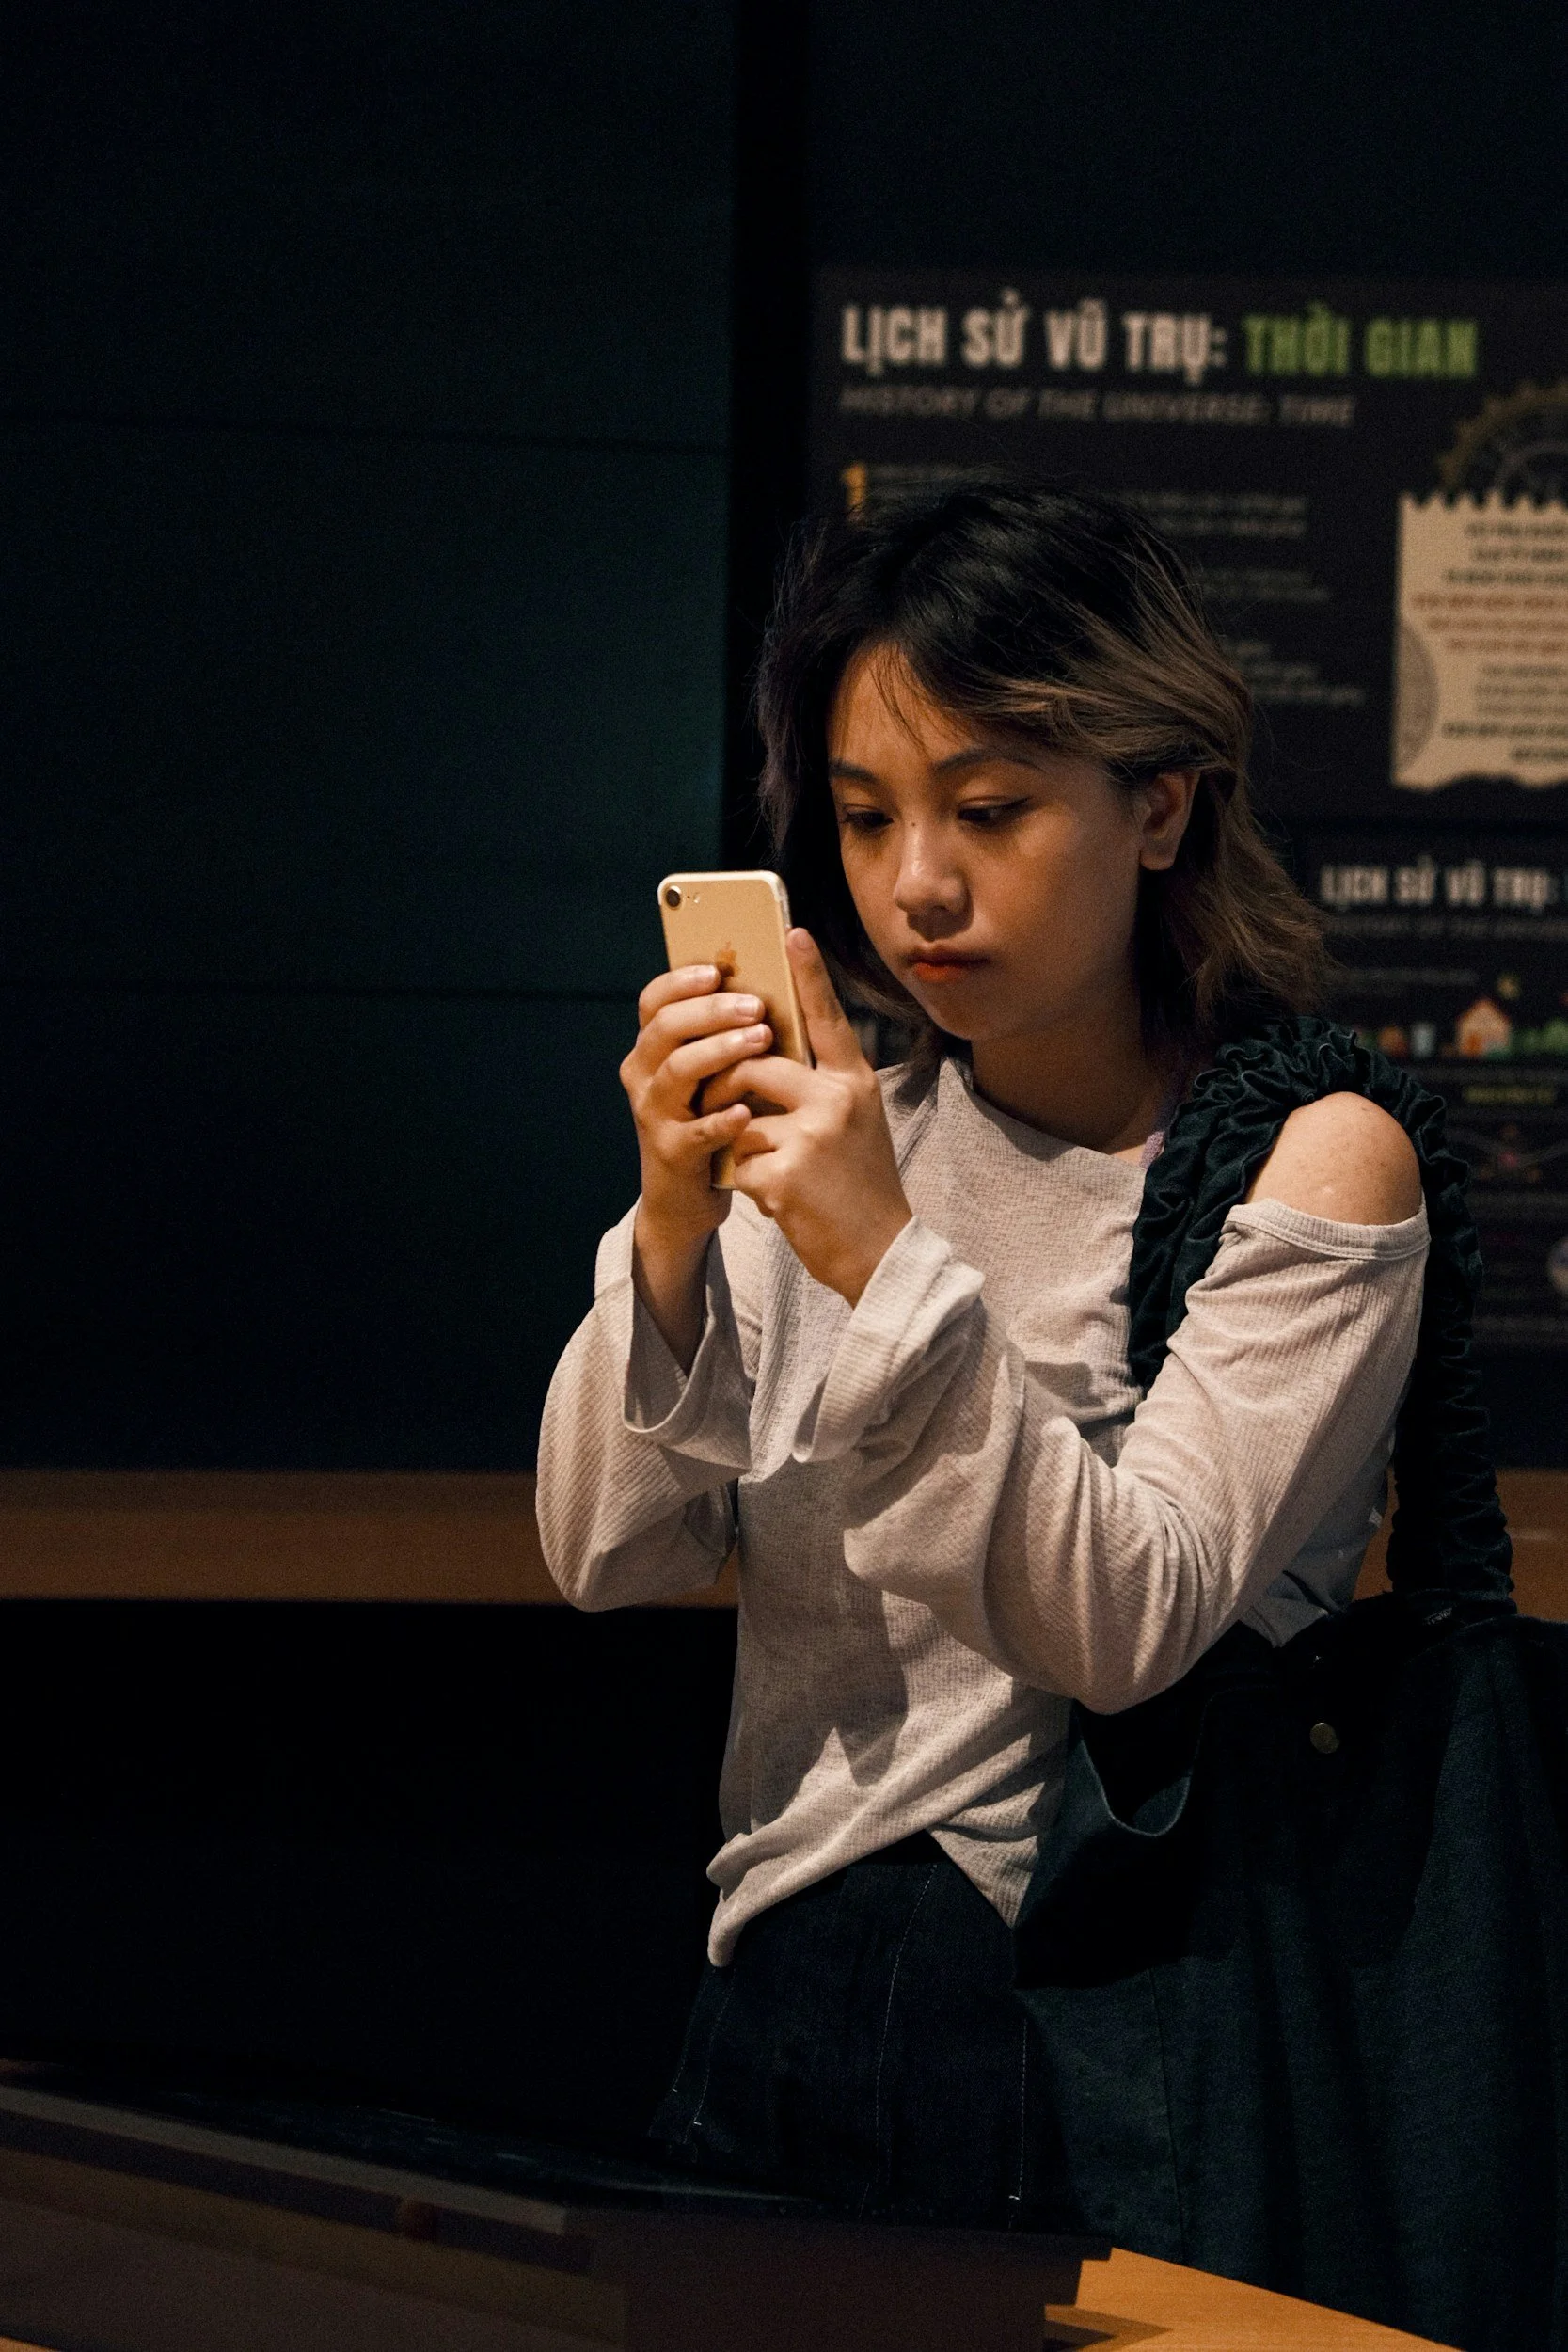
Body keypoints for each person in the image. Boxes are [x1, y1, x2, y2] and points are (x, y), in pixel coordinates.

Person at [535, 483, 1428, 2230]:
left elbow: (1129, 1616)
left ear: (1159, 805)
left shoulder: (1310, 1159)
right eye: (864, 821)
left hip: (1094, 2016)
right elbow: (606, 1550)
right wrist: (666, 1229)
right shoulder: (854, 1130)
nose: (913, 885)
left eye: (990, 809)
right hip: (769, 1979)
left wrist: (875, 1255)